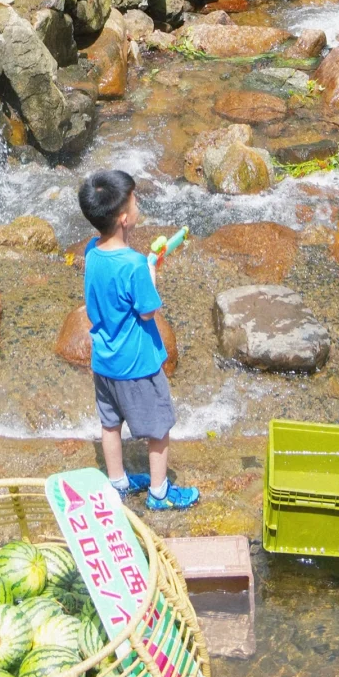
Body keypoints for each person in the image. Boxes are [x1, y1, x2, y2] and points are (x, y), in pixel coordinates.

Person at [78, 169, 199, 510]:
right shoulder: (133, 265)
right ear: (124, 218)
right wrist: (151, 271)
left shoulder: (91, 250)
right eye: (135, 199)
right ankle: (159, 493)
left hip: (104, 360)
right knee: (159, 427)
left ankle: (117, 482)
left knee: (110, 423)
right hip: (137, 364)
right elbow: (148, 311)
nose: (138, 202)